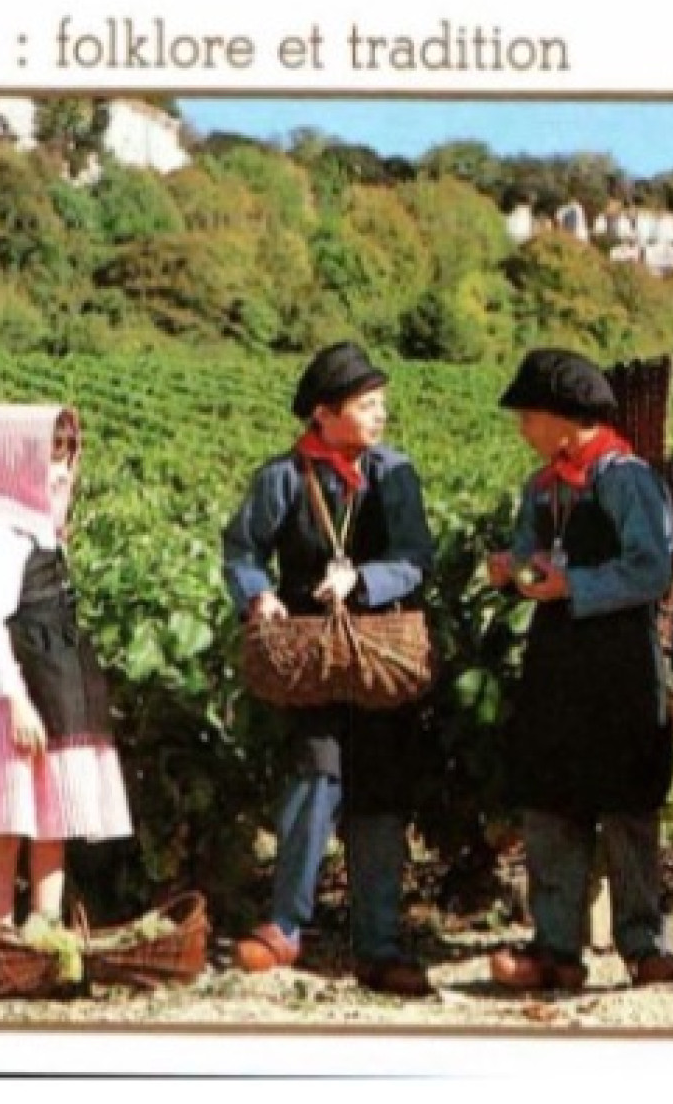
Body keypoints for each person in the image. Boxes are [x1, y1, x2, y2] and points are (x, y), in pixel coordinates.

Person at [222, 342, 437, 998]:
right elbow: (242, 548)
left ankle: (377, 942)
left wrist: (363, 578)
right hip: (310, 659)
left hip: (381, 658)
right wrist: (256, 591)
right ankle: (286, 925)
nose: (380, 414)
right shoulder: (281, 478)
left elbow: (416, 555)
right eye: (366, 404)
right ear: (324, 414)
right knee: (315, 775)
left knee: (376, 789)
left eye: (380, 402)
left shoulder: (393, 472)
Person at [485, 348, 673, 992]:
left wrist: (573, 584)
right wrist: (512, 574)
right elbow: (529, 559)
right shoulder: (540, 487)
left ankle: (644, 941)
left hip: (620, 660)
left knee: (628, 801)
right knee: (552, 800)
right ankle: (556, 947)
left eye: (530, 417)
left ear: (566, 419)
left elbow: (651, 568)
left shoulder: (626, 479)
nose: (523, 430)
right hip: (557, 659)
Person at [0, 404, 133, 928]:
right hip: (16, 686)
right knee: (6, 811)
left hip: (51, 673)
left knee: (50, 810)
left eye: (69, 458)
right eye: (52, 458)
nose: (64, 472)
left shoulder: (36, 526)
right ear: (12, 462)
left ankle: (45, 925)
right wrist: (17, 699)